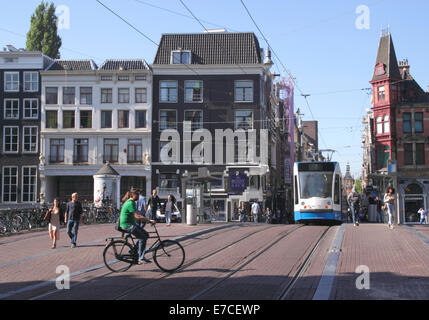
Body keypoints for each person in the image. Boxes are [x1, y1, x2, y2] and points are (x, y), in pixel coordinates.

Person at [119, 188, 156, 264]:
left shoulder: (131, 202)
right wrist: (149, 220)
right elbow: (137, 216)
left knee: (146, 234)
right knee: (143, 237)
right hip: (127, 225)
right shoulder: (130, 203)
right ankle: (141, 258)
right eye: (137, 195)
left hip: (131, 224)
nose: (139, 196)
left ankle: (134, 250)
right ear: (133, 195)